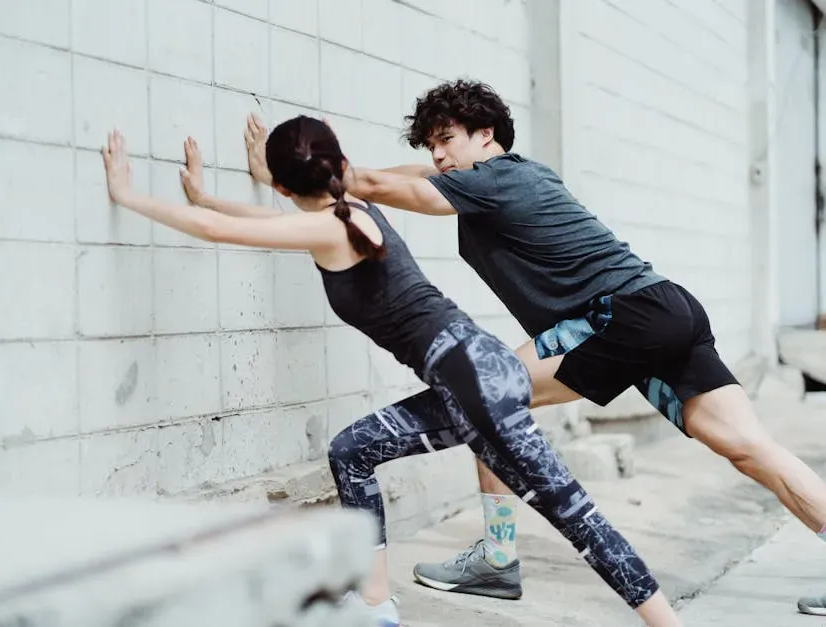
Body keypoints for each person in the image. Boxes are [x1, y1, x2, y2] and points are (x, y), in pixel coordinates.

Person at [241, 79, 826, 614]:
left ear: (486, 134)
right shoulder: (513, 175)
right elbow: (410, 177)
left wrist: (291, 173)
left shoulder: (493, 183)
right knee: (749, 446)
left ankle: (498, 560)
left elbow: (369, 184)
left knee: (485, 392)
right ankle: (497, 559)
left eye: (447, 139)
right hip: (665, 306)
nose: (438, 155)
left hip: (620, 317)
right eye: (431, 146)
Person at [102, 116, 682, 626]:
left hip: (473, 384)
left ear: (283, 184)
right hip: (482, 371)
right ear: (340, 166)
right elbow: (263, 220)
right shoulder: (349, 211)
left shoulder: (331, 224)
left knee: (575, 518)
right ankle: (377, 602)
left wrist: (129, 196)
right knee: (351, 451)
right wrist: (206, 197)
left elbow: (226, 231)